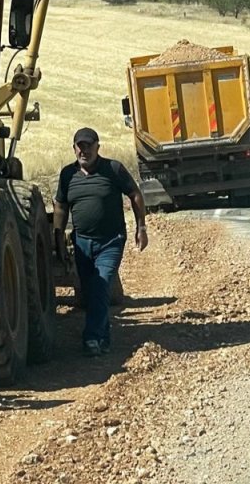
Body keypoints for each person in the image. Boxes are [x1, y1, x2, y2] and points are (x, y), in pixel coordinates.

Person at [53, 127, 148, 357]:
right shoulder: (68, 175)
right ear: (74, 148)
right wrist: (57, 237)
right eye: (80, 146)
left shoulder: (113, 169)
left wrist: (141, 227)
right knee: (91, 291)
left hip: (111, 240)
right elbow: (60, 206)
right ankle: (103, 337)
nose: (84, 150)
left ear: (98, 147)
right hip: (82, 242)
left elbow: (134, 194)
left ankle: (92, 339)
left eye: (88, 145)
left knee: (101, 283)